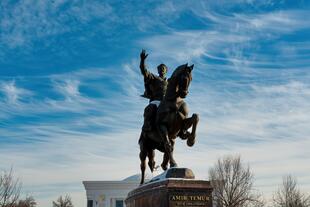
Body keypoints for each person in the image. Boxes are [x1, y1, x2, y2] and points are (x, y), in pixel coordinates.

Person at [140, 49, 168, 132]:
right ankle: (147, 126)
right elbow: (144, 71)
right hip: (156, 101)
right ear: (158, 70)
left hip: (166, 103)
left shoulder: (169, 82)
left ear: (166, 70)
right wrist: (142, 60)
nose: (162, 69)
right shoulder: (154, 78)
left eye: (163, 68)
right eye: (160, 68)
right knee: (151, 108)